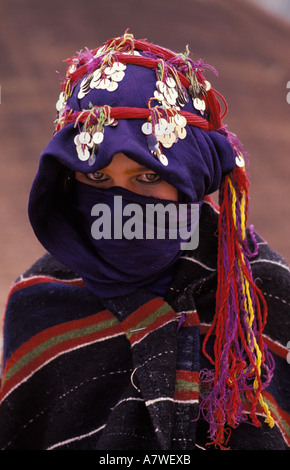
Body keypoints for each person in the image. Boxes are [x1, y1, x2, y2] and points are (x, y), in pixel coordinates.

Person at [0, 32, 289, 451]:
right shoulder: (42, 300)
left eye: (148, 177)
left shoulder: (255, 289)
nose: (120, 203)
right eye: (98, 178)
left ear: (189, 179)